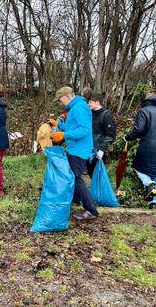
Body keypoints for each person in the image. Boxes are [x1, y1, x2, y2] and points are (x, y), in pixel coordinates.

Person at [48, 86, 99, 220]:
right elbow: (72, 128)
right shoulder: (75, 108)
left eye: (60, 100)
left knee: (76, 179)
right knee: (73, 177)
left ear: (68, 96)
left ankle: (91, 210)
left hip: (79, 150)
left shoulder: (79, 107)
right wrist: (58, 125)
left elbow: (85, 130)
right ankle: (75, 200)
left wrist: (64, 135)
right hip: (75, 148)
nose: (60, 102)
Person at [87, 93, 117, 177]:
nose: (88, 104)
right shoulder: (91, 114)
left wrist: (101, 150)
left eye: (90, 102)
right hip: (89, 149)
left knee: (98, 175)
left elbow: (111, 135)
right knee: (90, 172)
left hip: (99, 150)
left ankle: (99, 190)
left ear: (97, 102)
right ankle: (93, 189)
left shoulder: (106, 115)